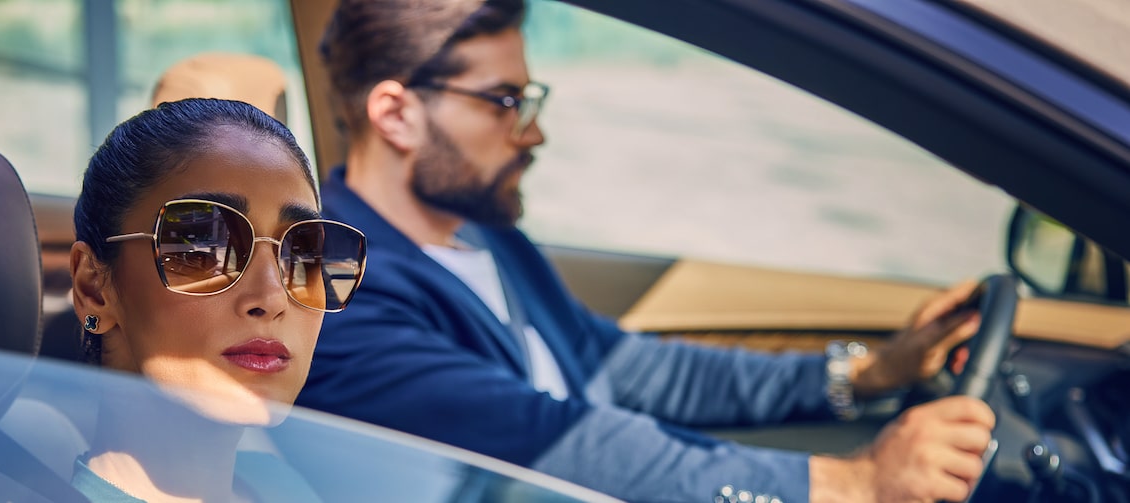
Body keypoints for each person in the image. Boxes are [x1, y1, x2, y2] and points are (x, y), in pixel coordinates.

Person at [293, 1, 995, 502]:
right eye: (505, 102)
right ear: (396, 114)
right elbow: (562, 442)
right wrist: (852, 484)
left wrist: (864, 373)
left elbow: (626, 366)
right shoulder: (342, 302)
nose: (532, 135)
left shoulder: (484, 233)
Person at [68, 97, 367, 501]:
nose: (271, 297)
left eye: (302, 253)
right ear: (94, 289)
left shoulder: (283, 485)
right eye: (202, 249)